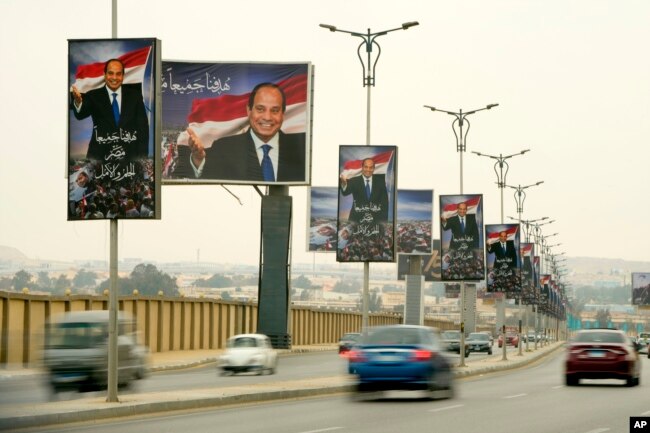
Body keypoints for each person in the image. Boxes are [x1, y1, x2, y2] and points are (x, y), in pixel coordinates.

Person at [183, 82, 305, 182]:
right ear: (249, 110)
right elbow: (207, 184)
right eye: (260, 109)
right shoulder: (223, 148)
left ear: (282, 114)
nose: (267, 117)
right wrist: (198, 160)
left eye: (275, 110)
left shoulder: (302, 149)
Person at [70, 58, 149, 162]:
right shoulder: (93, 95)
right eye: (111, 73)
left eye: (118, 74)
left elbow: (143, 129)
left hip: (129, 158)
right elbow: (80, 115)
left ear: (123, 76)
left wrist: (142, 158)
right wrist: (78, 102)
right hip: (99, 157)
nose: (114, 78)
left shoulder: (135, 96)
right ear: (105, 75)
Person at [339, 158, 389, 224]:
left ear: (374, 168)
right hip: (356, 219)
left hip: (375, 221)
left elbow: (384, 204)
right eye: (366, 167)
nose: (368, 170)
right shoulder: (354, 181)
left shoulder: (381, 182)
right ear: (362, 167)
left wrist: (383, 222)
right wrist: (344, 184)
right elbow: (345, 192)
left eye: (371, 167)